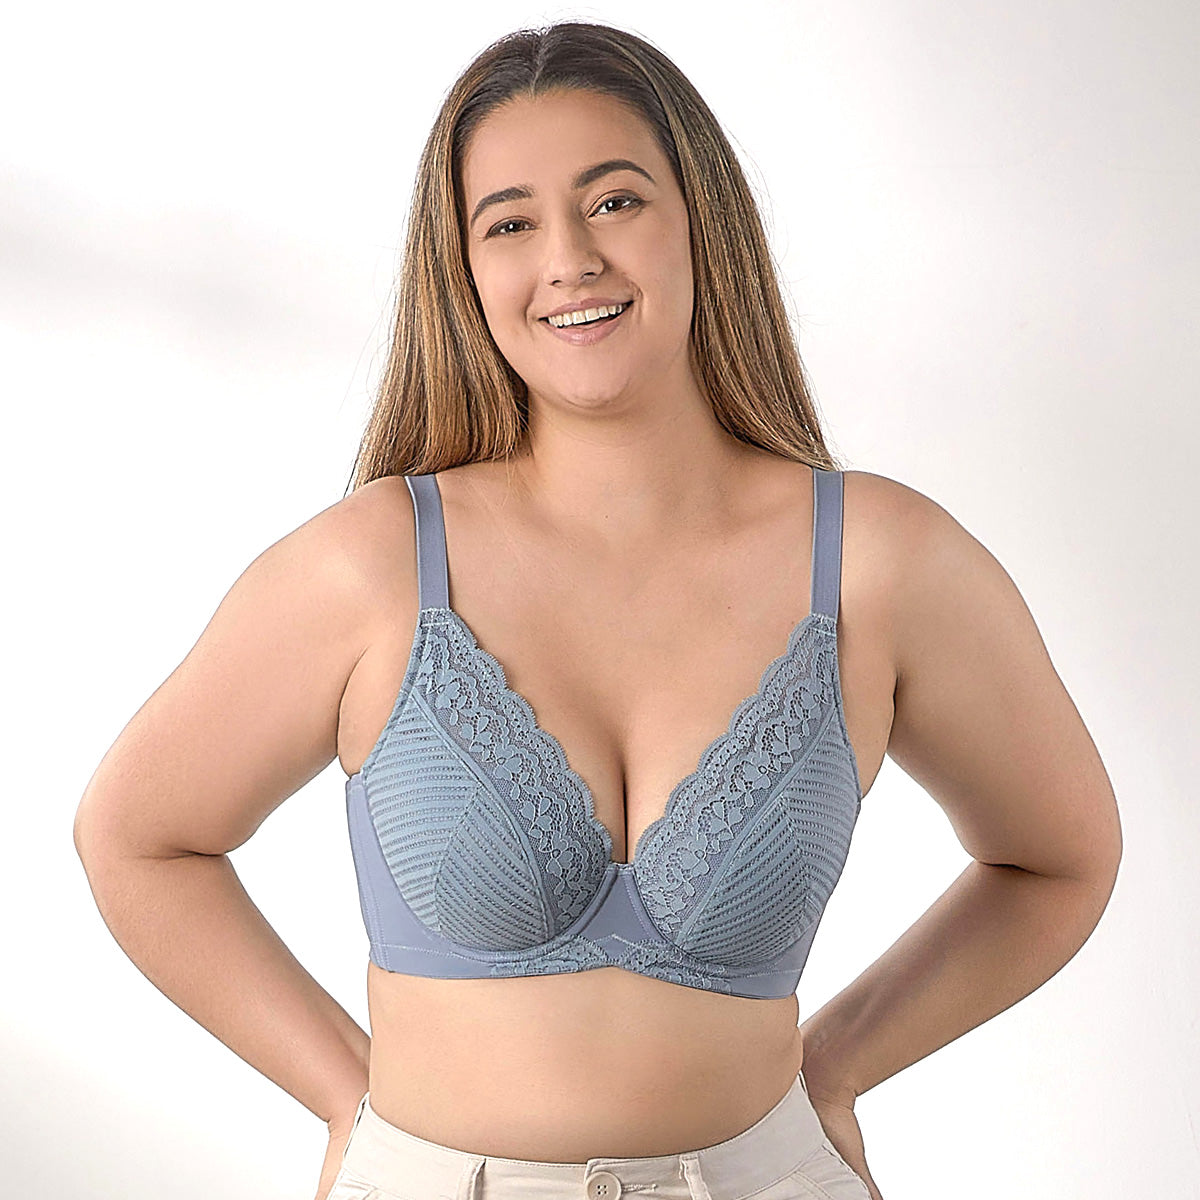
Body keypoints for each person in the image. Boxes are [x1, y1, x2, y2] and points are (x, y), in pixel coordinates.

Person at [72, 20, 1123, 1200]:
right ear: (464, 272)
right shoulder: (372, 567)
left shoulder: (880, 563)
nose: (569, 259)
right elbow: (136, 838)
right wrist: (342, 1098)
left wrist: (833, 1073)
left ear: (701, 220)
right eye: (509, 223)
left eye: (614, 202)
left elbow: (1061, 859)